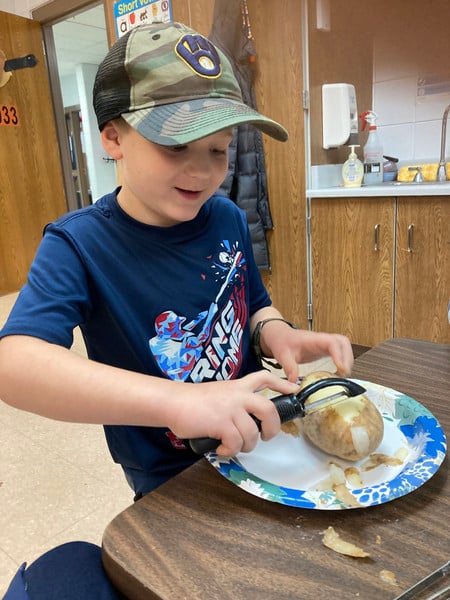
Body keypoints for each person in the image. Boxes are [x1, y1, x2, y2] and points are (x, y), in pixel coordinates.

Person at [0, 22, 353, 499]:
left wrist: (277, 332)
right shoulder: (77, 244)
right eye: (174, 145)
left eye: (218, 148)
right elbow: (15, 364)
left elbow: (252, 302)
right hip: (168, 476)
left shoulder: (226, 216)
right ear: (113, 139)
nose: (203, 170)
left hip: (255, 440)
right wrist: (177, 402)